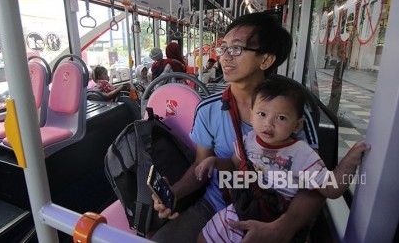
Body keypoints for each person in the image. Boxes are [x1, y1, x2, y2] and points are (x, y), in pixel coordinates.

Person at [151, 12, 326, 243]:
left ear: (265, 60)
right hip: (216, 205)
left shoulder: (291, 114)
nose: (224, 57)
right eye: (222, 48)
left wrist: (282, 229)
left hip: (274, 214)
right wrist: (175, 192)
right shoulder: (209, 110)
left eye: (236, 49)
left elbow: (315, 186)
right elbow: (200, 167)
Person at [195, 79, 371, 242]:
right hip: (240, 208)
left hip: (272, 217)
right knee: (203, 237)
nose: (268, 124)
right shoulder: (249, 140)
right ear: (251, 116)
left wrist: (349, 160)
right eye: (262, 114)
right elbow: (234, 165)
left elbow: (332, 189)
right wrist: (215, 162)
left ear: (297, 125)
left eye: (281, 118)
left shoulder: (301, 153)